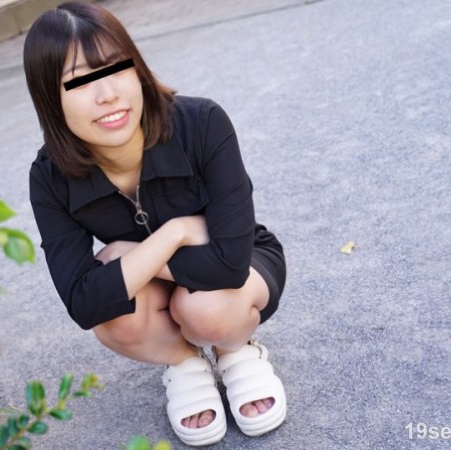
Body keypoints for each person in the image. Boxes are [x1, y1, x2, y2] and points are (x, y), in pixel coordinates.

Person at [24, 2, 287, 446]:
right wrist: (177, 233)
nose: (107, 93)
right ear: (51, 99)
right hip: (161, 279)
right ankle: (184, 361)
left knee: (205, 311)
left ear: (137, 69)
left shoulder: (201, 123)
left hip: (242, 266)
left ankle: (235, 350)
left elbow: (229, 265)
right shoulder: (49, 177)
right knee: (115, 319)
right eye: (79, 81)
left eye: (116, 67)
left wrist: (136, 253)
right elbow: (85, 305)